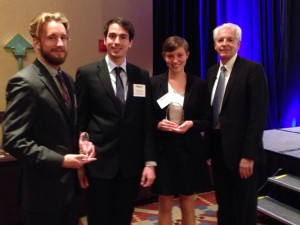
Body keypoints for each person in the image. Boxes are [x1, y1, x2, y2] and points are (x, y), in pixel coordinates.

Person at [2, 12, 96, 225]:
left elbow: (66, 127)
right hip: (41, 196)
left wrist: (81, 141)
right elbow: (13, 140)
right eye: (52, 37)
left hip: (69, 192)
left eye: (63, 37)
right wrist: (62, 161)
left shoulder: (67, 79)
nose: (59, 43)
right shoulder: (24, 82)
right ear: (37, 42)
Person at [75, 17, 156, 225]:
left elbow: (146, 123)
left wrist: (149, 163)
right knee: (98, 218)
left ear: (131, 42)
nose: (116, 41)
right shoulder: (87, 73)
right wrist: (80, 164)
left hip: (130, 165)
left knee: (123, 217)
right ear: (105, 39)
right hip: (98, 163)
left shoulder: (141, 75)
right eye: (112, 36)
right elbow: (80, 122)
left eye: (123, 37)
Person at [206, 23, 269, 225]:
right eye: (220, 40)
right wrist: (208, 150)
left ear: (238, 44)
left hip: (242, 152)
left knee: (244, 206)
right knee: (224, 202)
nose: (224, 44)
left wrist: (248, 156)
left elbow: (257, 116)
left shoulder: (252, 70)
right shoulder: (211, 71)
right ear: (215, 45)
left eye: (229, 40)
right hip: (217, 148)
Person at [150, 36, 211, 225]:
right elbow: (145, 117)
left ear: (187, 55)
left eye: (179, 55)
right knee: (165, 203)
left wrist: (192, 124)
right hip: (163, 152)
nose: (175, 60)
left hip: (189, 151)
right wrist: (158, 124)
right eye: (169, 56)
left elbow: (207, 120)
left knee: (188, 203)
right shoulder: (153, 83)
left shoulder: (199, 84)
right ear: (163, 56)